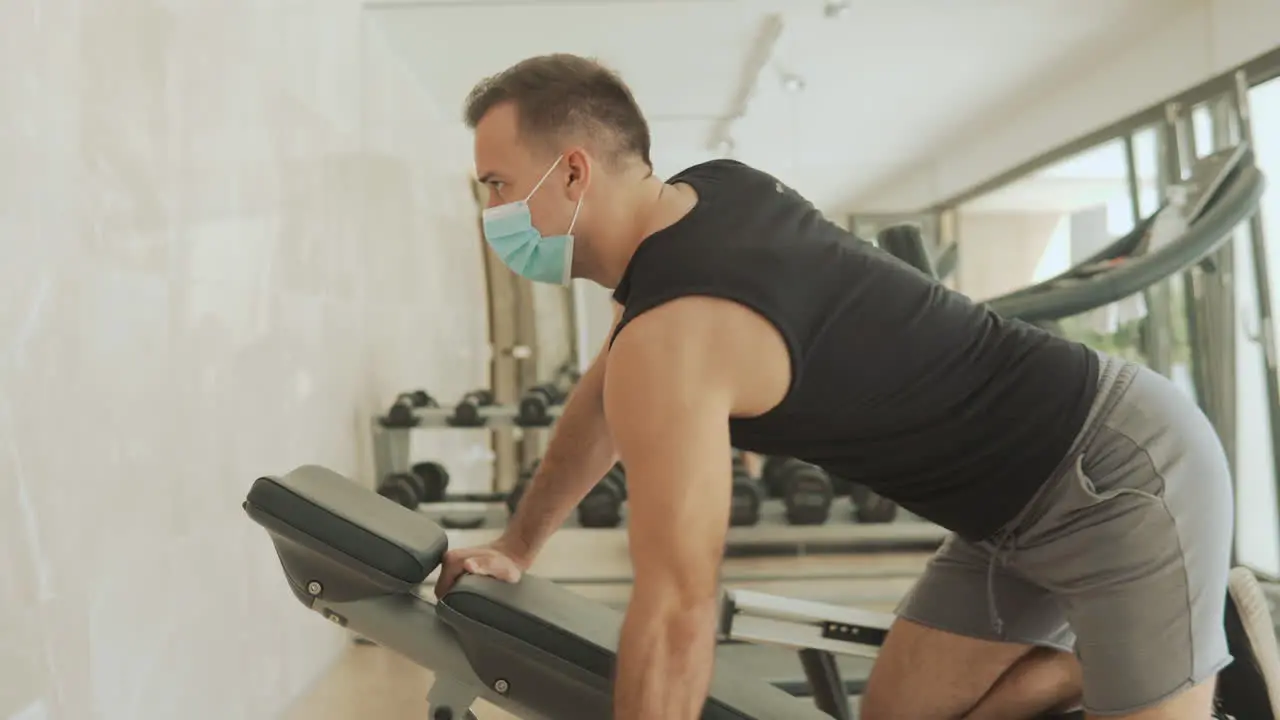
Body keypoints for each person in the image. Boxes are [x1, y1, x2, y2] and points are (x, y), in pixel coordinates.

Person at [433, 53, 1280, 720]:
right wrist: (520, 543)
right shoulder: (707, 194)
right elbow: (605, 392)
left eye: (500, 186)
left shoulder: (676, 334)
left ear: (574, 173)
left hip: (1120, 471)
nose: (495, 212)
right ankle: (1135, 652)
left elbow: (676, 607)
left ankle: (1199, 656)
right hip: (1002, 516)